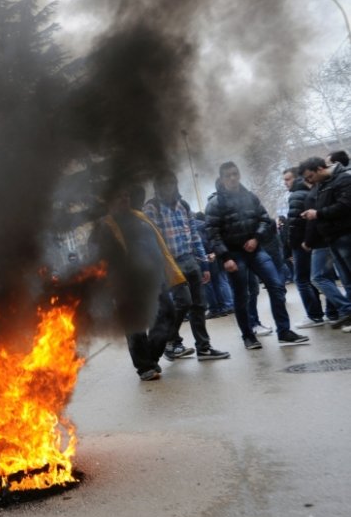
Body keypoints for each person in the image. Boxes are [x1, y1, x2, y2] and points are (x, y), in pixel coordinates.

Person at [205, 162, 308, 349]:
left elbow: (263, 219)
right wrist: (226, 257)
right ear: (222, 178)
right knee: (242, 295)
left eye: (235, 174)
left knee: (276, 285)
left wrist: (256, 238)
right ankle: (248, 335)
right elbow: (213, 233)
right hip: (233, 253)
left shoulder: (250, 197)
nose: (233, 178)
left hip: (255, 249)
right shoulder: (215, 204)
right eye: (228, 175)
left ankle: (284, 331)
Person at [89, 185, 185, 381]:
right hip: (127, 284)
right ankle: (144, 367)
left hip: (154, 278)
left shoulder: (141, 218)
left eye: (126, 194)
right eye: (119, 196)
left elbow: (159, 245)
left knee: (168, 313)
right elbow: (98, 260)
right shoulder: (103, 227)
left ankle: (151, 355)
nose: (124, 199)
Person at [143, 171, 230, 361]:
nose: (169, 187)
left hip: (190, 260)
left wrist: (204, 264)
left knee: (199, 305)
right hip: (169, 263)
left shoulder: (183, 205)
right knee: (184, 301)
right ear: (157, 187)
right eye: (164, 184)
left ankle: (204, 348)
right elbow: (152, 240)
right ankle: (170, 340)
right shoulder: (152, 208)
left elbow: (194, 235)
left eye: (172, 183)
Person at [299, 155, 351, 331]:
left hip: (345, 235)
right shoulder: (323, 184)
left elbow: (345, 205)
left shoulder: (343, 178)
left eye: (310, 177)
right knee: (346, 280)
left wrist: (318, 214)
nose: (308, 181)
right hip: (333, 237)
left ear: (319, 169)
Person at [284, 166, 335, 328]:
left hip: (302, 244)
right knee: (324, 277)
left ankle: (314, 315)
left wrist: (291, 247)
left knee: (302, 279)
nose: (285, 183)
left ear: (297, 178)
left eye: (288, 179)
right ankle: (333, 312)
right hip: (317, 241)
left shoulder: (296, 196)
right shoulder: (314, 191)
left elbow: (294, 224)